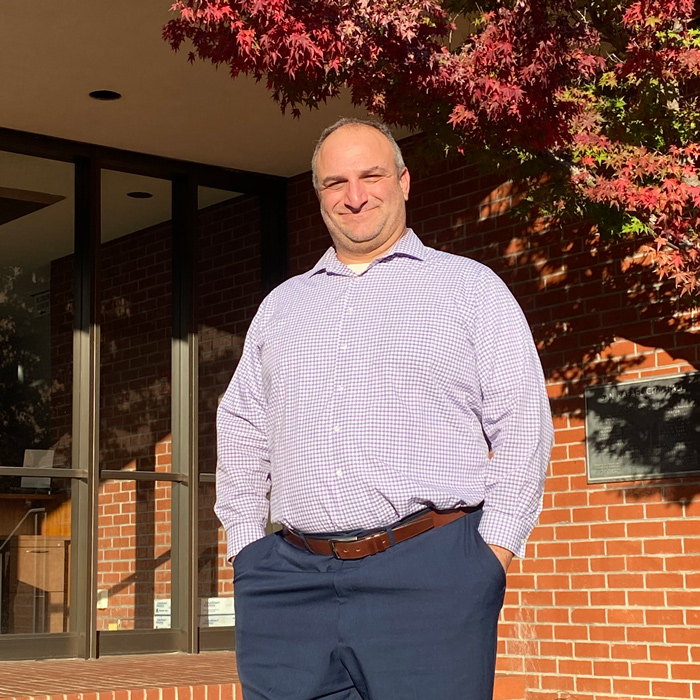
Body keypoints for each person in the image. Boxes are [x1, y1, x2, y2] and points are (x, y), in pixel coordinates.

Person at [216, 118, 553, 700]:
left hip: (431, 575)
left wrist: (490, 553)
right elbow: (243, 424)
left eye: (370, 176)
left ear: (403, 181)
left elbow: (523, 422)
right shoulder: (282, 306)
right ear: (318, 194)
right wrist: (248, 547)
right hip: (287, 582)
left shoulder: (470, 290)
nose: (354, 196)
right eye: (335, 182)